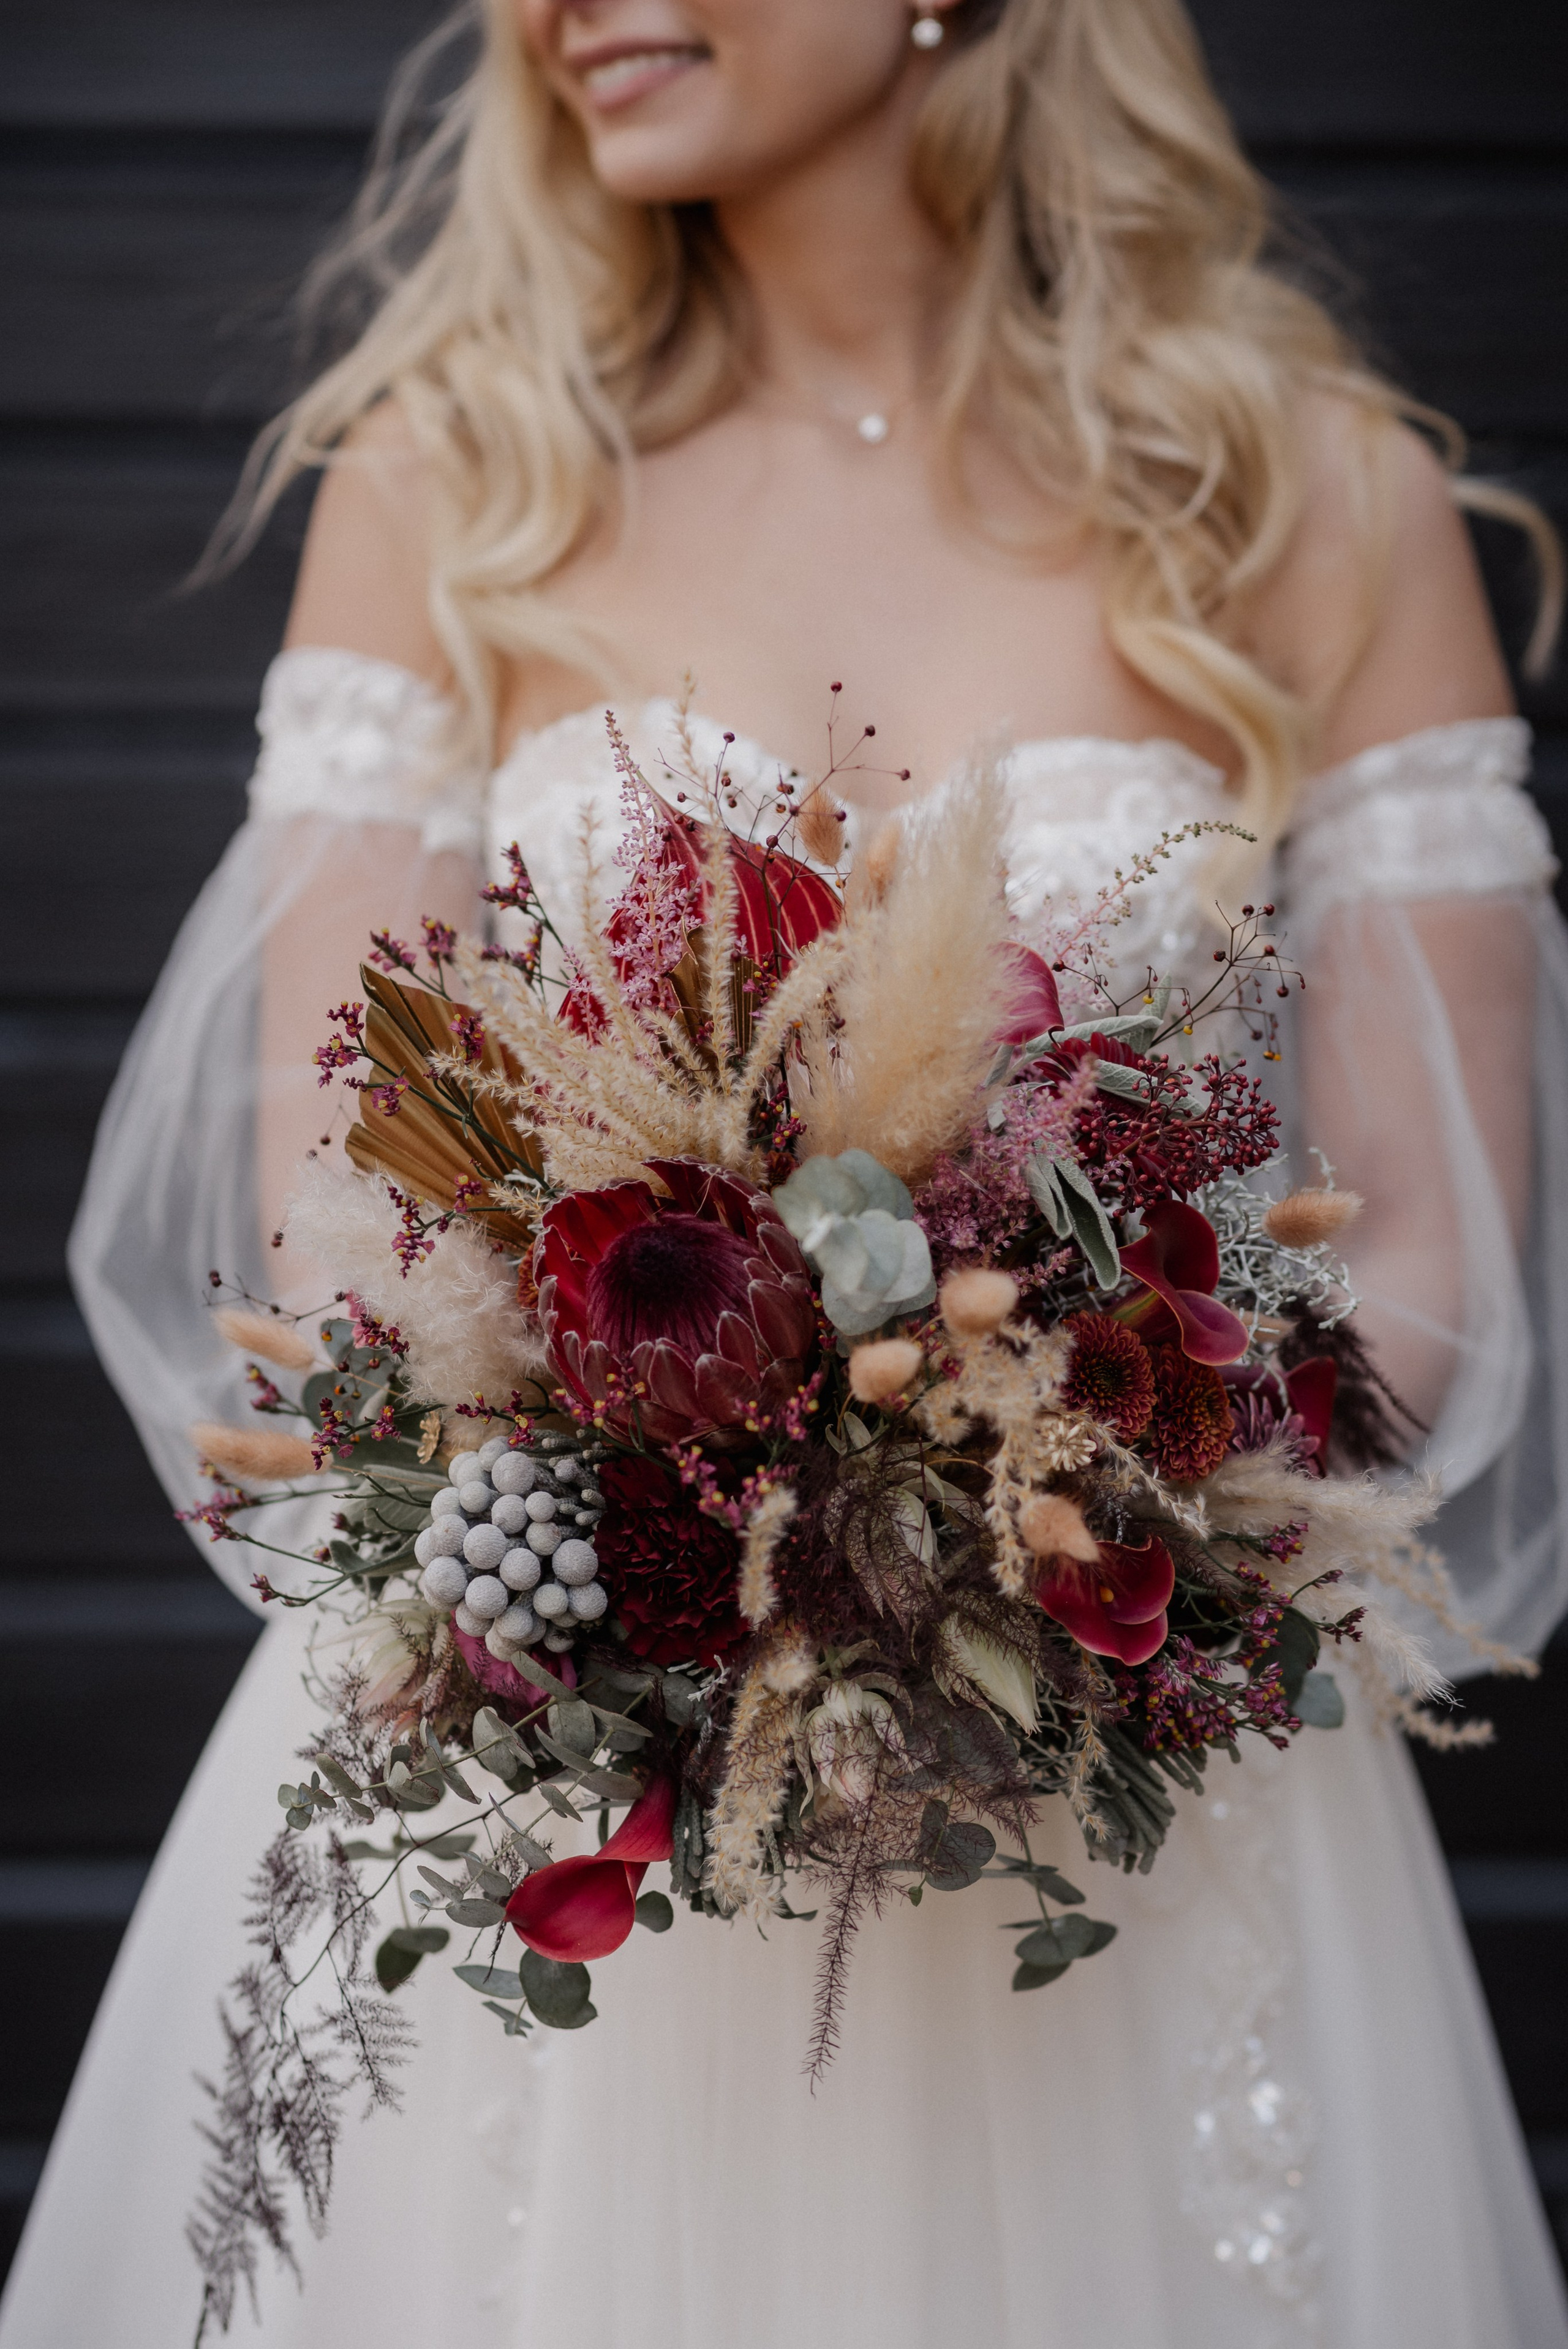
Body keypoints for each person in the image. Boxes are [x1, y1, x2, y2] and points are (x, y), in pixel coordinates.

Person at [6, 2, 1568, 2342]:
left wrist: (1071, 1474)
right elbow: (340, 1213)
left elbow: (1434, 1266)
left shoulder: (1315, 496)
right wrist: (674, 1512)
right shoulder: (461, 472)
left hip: (1122, 1808)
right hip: (565, 1796)